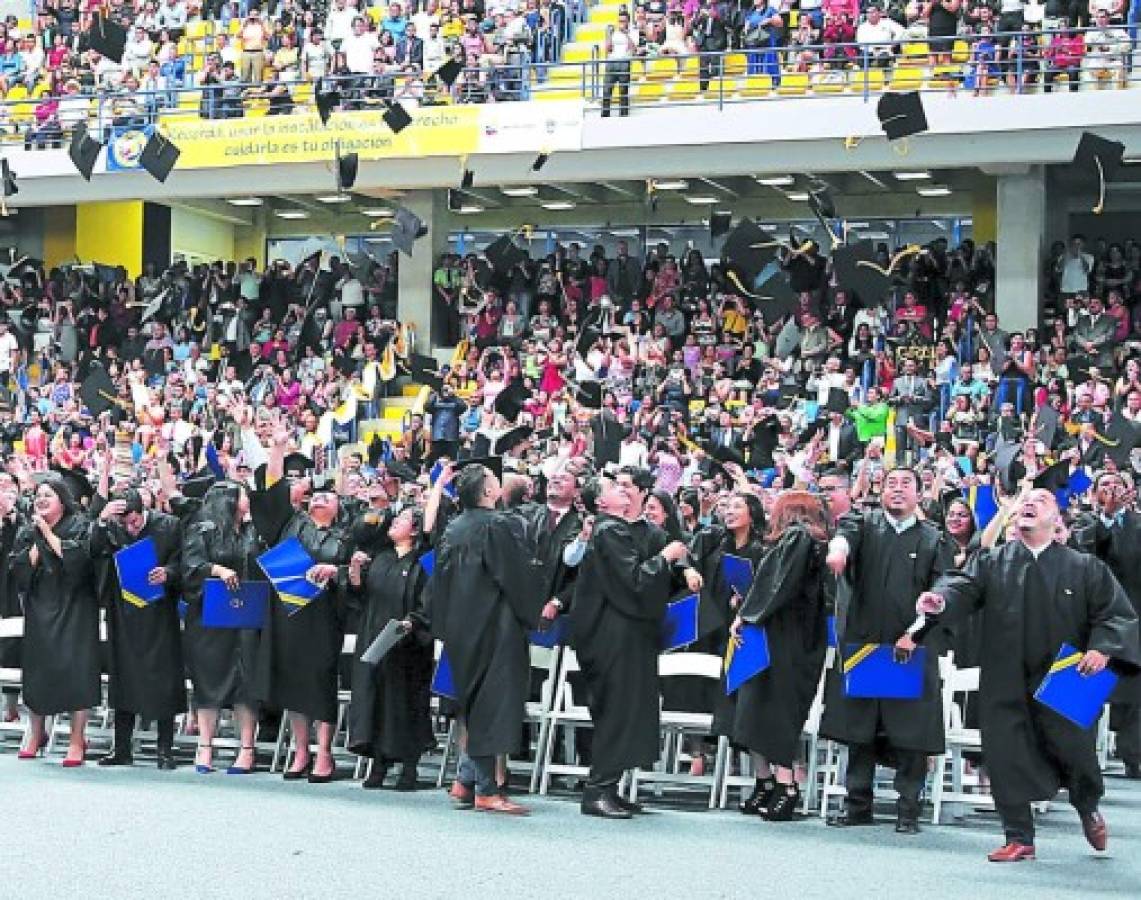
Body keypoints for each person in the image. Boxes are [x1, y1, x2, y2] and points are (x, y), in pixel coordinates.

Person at [914, 489, 1141, 860]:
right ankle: (1019, 836)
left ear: (1058, 520)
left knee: (1074, 751)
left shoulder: (1085, 568)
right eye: (1024, 502)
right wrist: (940, 601)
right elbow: (960, 587)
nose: (1029, 505)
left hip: (1067, 675)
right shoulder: (992, 561)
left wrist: (1102, 649)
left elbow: (1114, 614)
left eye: (1042, 501)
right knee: (1004, 751)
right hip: (1006, 673)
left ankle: (1087, 807)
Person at [821, 466, 955, 834]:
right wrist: (838, 550)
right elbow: (843, 536)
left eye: (905, 484)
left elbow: (943, 590)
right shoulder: (864, 526)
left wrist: (916, 632)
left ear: (919, 493)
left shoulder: (933, 539)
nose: (897, 490)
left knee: (910, 736)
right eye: (890, 484)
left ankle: (908, 808)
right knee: (860, 729)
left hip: (909, 648)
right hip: (866, 645)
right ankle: (856, 804)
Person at [570, 468, 689, 818]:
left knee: (628, 709)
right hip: (612, 636)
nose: (623, 490)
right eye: (615, 486)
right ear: (600, 502)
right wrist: (666, 557)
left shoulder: (619, 531)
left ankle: (610, 785)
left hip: (626, 635)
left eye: (626, 485)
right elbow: (635, 581)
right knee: (617, 711)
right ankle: (598, 790)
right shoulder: (608, 531)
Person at [428, 462, 540, 815]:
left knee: (471, 702)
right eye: (495, 482)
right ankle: (487, 791)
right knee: (493, 705)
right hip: (495, 626)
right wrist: (531, 615)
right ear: (489, 493)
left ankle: (464, 780)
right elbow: (516, 578)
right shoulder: (499, 525)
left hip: (459, 627)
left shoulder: (453, 528)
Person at [251, 428, 353, 783]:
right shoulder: (291, 524)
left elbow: (358, 572)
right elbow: (272, 492)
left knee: (320, 682)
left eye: (329, 496)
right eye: (316, 495)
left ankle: (324, 752)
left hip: (324, 618)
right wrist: (277, 448)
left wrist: (337, 571)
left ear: (341, 508)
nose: (320, 499)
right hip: (287, 615)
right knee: (292, 681)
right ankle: (300, 751)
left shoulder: (346, 536)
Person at [730, 490, 831, 820]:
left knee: (775, 708)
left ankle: (786, 786)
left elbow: (779, 586)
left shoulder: (798, 538)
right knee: (754, 707)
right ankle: (768, 783)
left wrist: (747, 614)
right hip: (778, 635)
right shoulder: (799, 541)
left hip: (787, 638)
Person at [89, 487, 185, 770]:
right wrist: (102, 520)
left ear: (143, 511)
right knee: (123, 676)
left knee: (163, 678)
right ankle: (121, 748)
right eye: (124, 524)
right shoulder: (110, 527)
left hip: (159, 611)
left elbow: (185, 562)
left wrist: (168, 573)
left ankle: (165, 749)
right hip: (122, 610)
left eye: (135, 522)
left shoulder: (169, 526)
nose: (130, 528)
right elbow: (92, 552)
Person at [11, 476, 98, 767]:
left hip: (74, 607)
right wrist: (37, 538)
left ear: (62, 499)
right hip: (41, 607)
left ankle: (76, 739)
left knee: (77, 671)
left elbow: (81, 563)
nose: (41, 499)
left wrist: (48, 534)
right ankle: (37, 734)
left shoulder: (80, 525)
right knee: (39, 670)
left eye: (48, 494)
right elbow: (20, 569)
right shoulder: (27, 530)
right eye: (38, 494)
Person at [347, 505, 434, 790]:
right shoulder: (379, 557)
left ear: (416, 530)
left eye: (403, 520)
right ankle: (378, 763)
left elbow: (429, 601)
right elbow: (358, 595)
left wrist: (413, 622)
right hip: (373, 636)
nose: (394, 523)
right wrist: (355, 569)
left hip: (407, 645)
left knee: (405, 701)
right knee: (375, 699)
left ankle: (409, 766)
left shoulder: (422, 562)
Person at [181, 481, 265, 775]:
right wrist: (217, 570)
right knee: (209, 681)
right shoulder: (202, 528)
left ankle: (247, 750)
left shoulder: (253, 532)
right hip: (210, 617)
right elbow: (190, 567)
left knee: (246, 682)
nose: (248, 499)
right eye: (243, 495)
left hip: (246, 615)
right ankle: (205, 747)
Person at [1072, 471, 1141, 779]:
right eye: (1104, 485)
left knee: (1135, 698)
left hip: (1134, 620)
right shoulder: (1082, 525)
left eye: (1119, 485)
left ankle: (1134, 758)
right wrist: (1108, 518)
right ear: (1093, 494)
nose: (1112, 489)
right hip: (1091, 624)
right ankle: (1071, 761)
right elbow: (1085, 558)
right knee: (1081, 694)